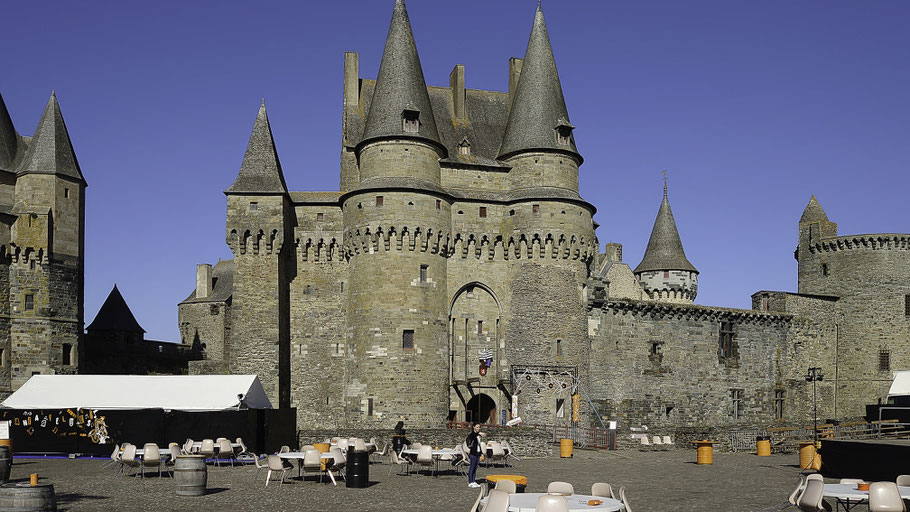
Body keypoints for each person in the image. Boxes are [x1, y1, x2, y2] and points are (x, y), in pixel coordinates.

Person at [465, 422, 486, 488]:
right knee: (472, 467)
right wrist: (479, 433)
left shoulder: (478, 436)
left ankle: (474, 481)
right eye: (477, 427)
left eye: (479, 427)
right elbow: (472, 436)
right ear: (473, 427)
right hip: (473, 453)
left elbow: (478, 445)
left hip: (477, 453)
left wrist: (481, 453)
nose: (478, 428)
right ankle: (470, 482)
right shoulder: (472, 435)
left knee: (475, 468)